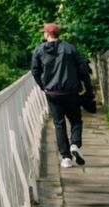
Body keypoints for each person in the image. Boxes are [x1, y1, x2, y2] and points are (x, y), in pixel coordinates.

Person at [31, 22, 92, 169]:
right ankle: (75, 144)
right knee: (76, 120)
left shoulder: (39, 51)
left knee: (59, 124)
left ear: (46, 34)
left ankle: (66, 158)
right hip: (70, 92)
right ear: (58, 34)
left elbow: (35, 71)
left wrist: (43, 86)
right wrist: (87, 88)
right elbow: (83, 68)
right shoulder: (70, 49)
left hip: (52, 93)